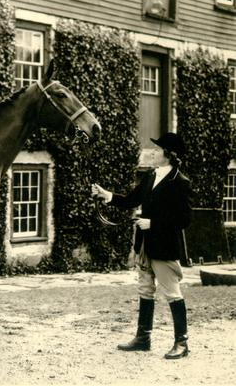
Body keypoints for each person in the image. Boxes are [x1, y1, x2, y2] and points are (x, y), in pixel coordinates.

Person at [92, 132, 192, 359]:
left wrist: (153, 223)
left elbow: (184, 220)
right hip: (145, 245)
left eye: (157, 150)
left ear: (168, 155)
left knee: (172, 293)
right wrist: (107, 195)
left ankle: (182, 343)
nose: (153, 152)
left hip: (165, 247)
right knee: (145, 290)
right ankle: (143, 338)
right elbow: (131, 199)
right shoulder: (151, 176)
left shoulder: (180, 182)